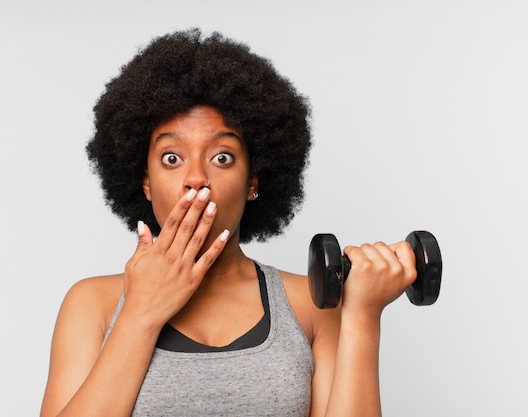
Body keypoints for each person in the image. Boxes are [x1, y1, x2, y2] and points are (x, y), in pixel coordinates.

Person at [40, 28, 417, 417]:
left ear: (253, 180)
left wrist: (362, 317)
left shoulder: (312, 303)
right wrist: (140, 312)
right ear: (145, 182)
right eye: (172, 157)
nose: (196, 178)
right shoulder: (93, 305)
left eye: (222, 157)